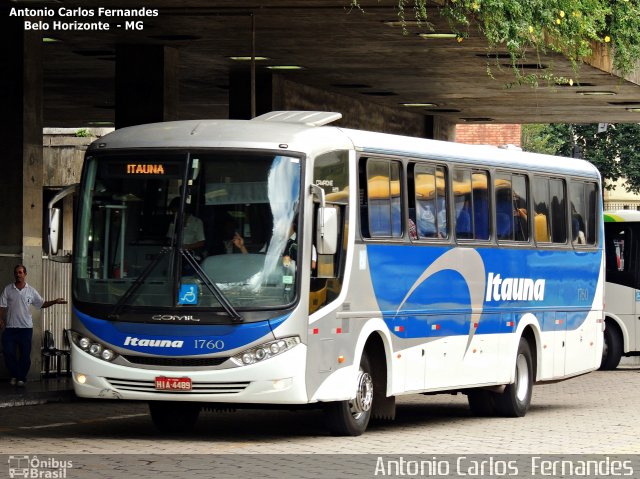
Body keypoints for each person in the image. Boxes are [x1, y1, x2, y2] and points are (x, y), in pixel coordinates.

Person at [0, 264, 67, 386]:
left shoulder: (31, 291)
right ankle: (18, 375)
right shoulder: (8, 289)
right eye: (16, 272)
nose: (18, 275)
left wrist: (55, 301)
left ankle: (18, 378)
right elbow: (2, 306)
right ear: (14, 274)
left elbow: (41, 304)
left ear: (25, 274)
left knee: (25, 355)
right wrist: (0, 319)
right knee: (8, 353)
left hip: (26, 329)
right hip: (10, 328)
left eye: (20, 272)